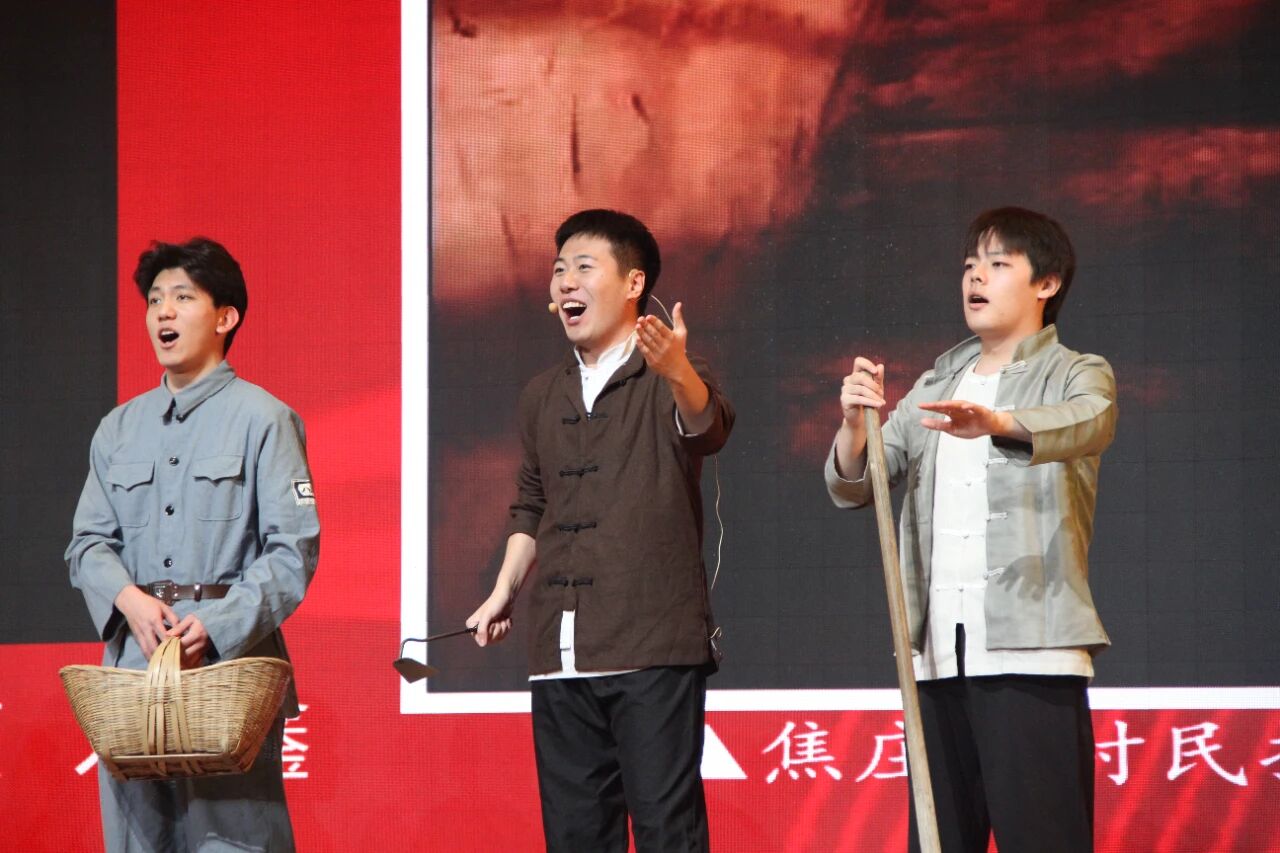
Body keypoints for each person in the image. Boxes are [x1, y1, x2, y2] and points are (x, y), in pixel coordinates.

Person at [825, 207, 1116, 852]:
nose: (975, 278)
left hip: (1032, 653)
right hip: (933, 657)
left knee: (1043, 837)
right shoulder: (936, 382)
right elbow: (857, 484)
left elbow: (1090, 421)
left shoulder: (1076, 370)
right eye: (969, 266)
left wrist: (998, 423)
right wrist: (853, 422)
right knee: (939, 839)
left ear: (1047, 283)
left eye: (998, 264)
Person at [467, 209, 734, 852]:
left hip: (652, 647)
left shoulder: (673, 375)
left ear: (633, 283)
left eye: (584, 268)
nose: (566, 282)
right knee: (575, 835)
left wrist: (677, 370)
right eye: (559, 269)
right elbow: (533, 503)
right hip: (559, 653)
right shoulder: (542, 394)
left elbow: (709, 426)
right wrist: (504, 590)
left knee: (667, 831)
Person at [66, 237, 320, 852]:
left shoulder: (265, 418)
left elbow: (292, 550)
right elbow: (87, 543)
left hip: (228, 673)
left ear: (225, 317)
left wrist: (218, 624)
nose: (164, 312)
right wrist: (128, 600)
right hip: (134, 671)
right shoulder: (117, 428)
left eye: (183, 298)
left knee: (236, 840)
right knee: (138, 841)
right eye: (155, 300)